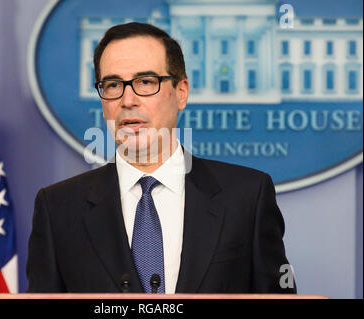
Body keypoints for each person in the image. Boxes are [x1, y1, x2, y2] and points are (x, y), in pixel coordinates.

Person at [26, 22, 296, 294]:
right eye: (112, 84)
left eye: (145, 82)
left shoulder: (247, 196)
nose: (127, 99)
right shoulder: (58, 208)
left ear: (181, 92)